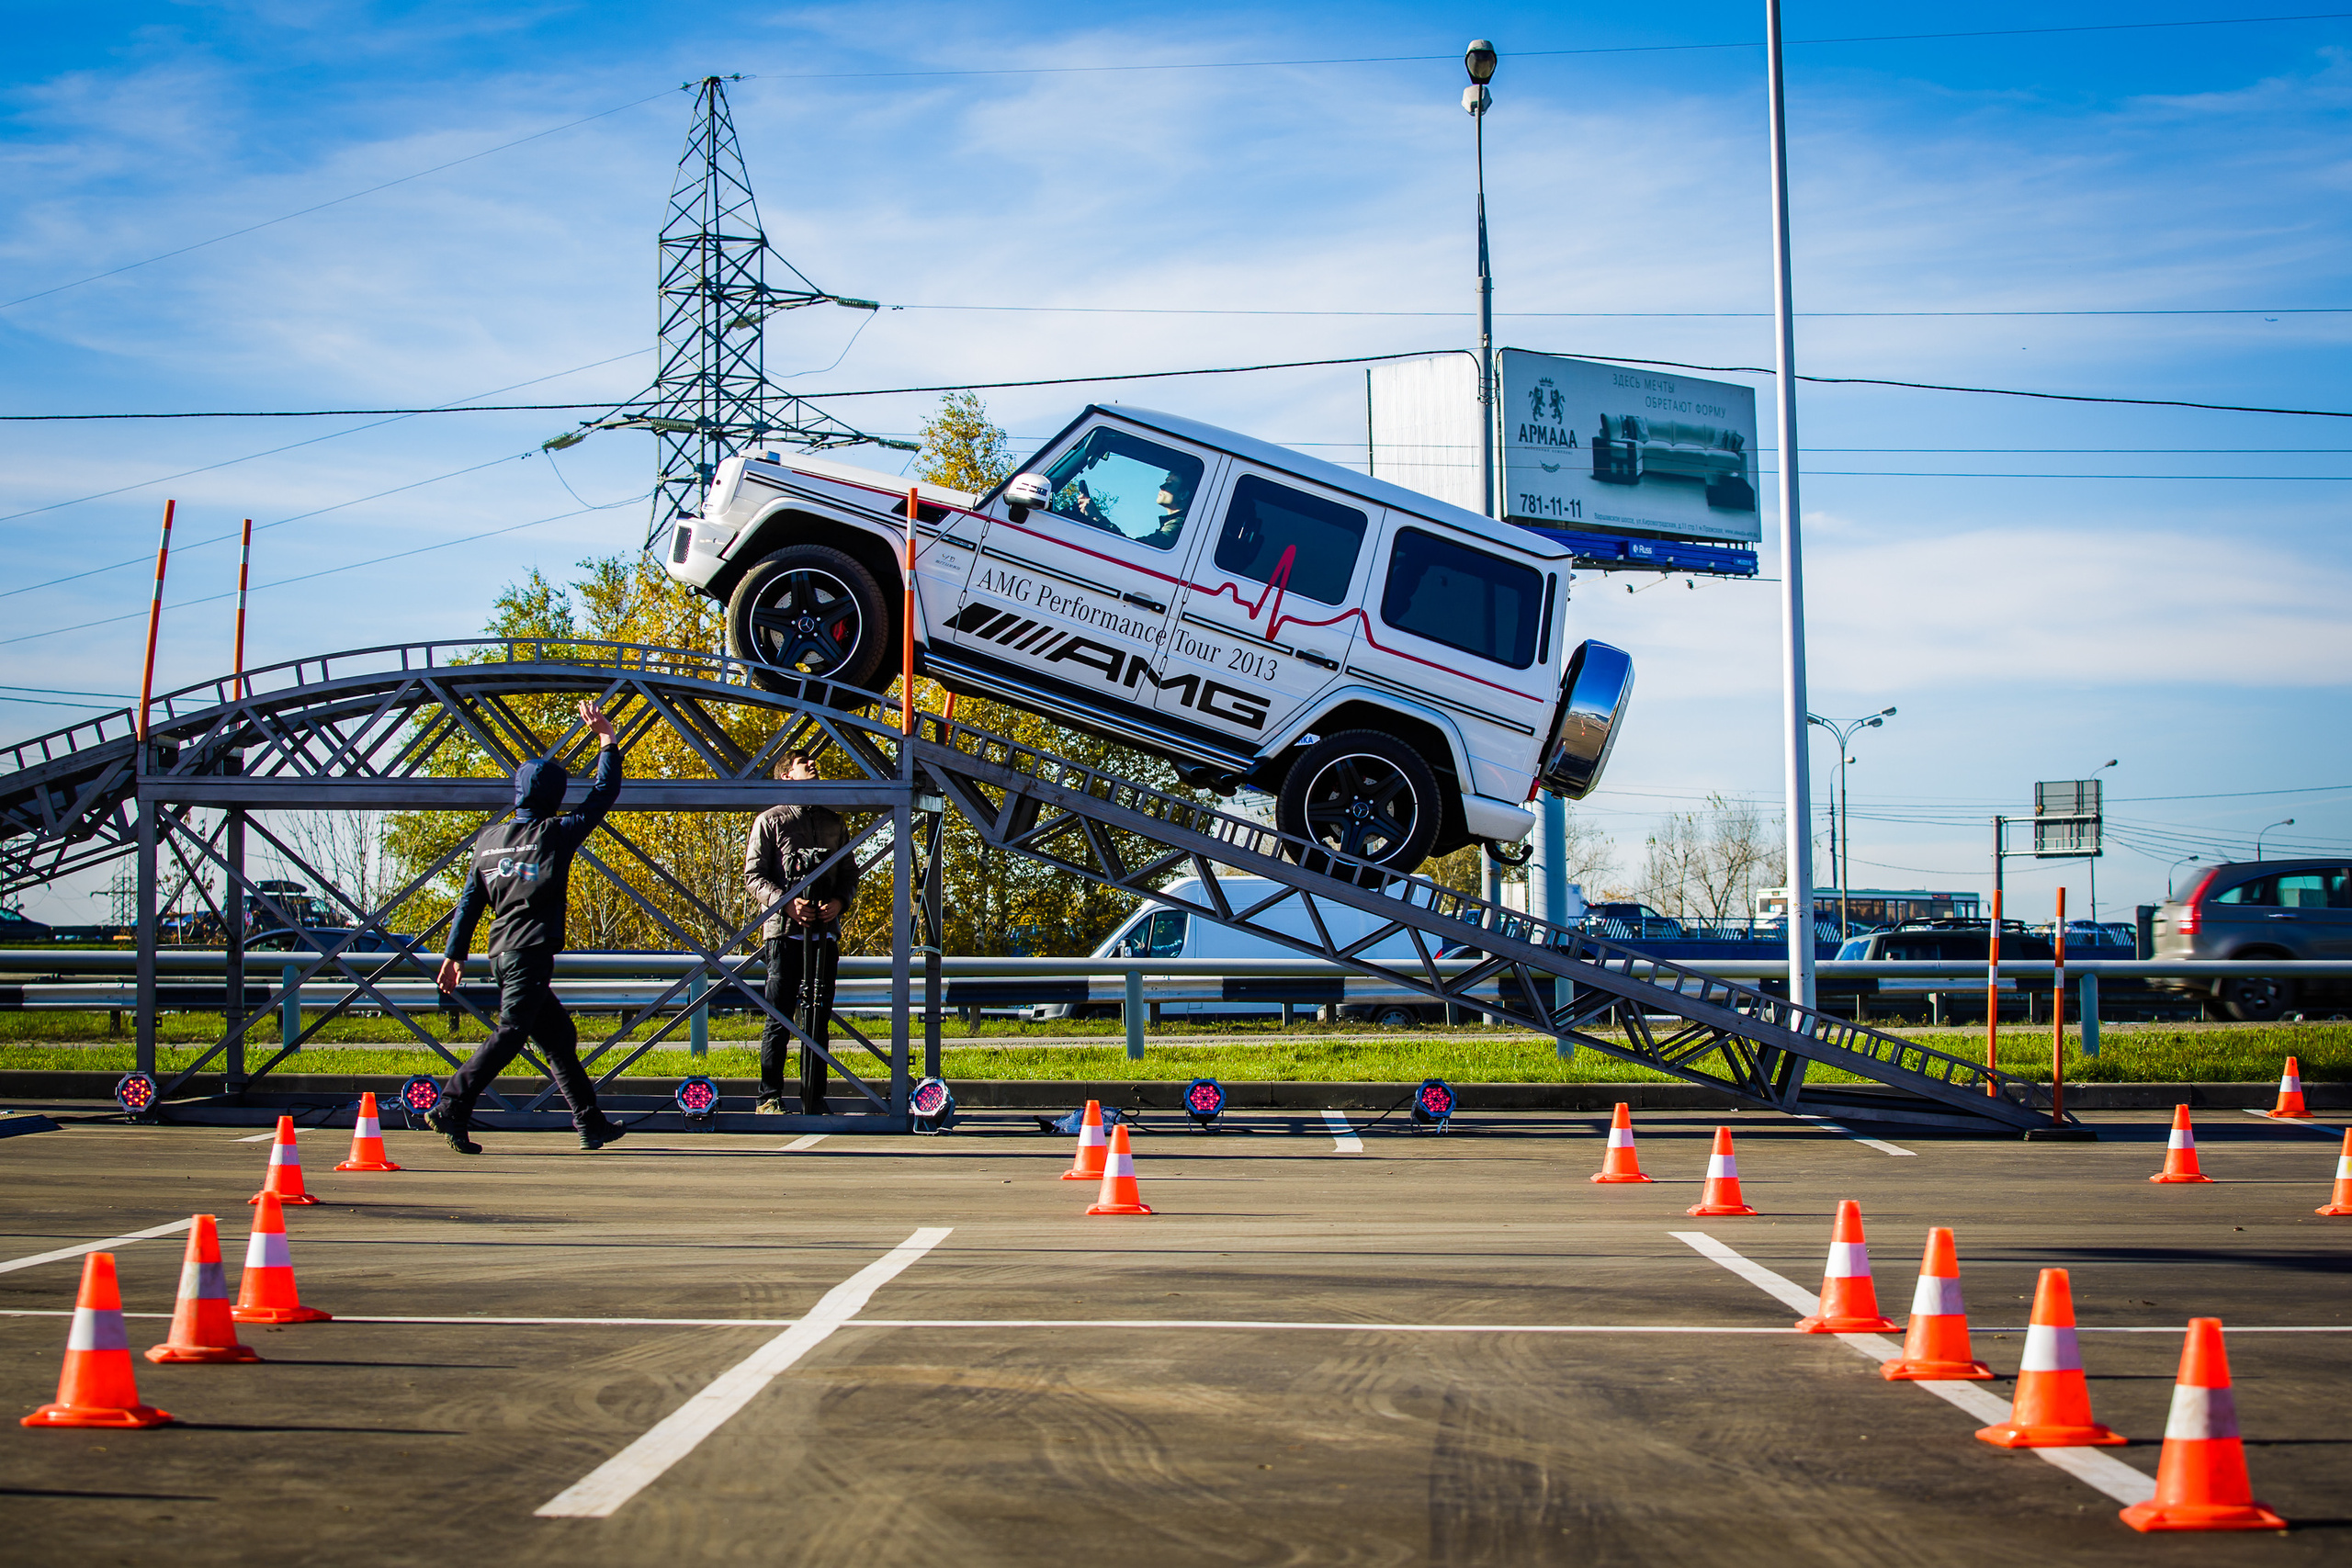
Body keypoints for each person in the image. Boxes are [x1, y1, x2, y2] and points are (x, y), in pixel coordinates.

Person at [428, 700, 628, 1154]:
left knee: (559, 1036)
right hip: (530, 951)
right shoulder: (554, 835)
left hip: (501, 953)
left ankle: (589, 1121)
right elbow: (603, 793)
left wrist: (454, 955)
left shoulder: (489, 841)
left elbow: (468, 903)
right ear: (554, 795)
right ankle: (452, 1104)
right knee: (512, 1032)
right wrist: (607, 740)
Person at [743, 750, 861, 1114]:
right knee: (779, 1017)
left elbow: (848, 874)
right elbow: (753, 876)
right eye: (802, 763)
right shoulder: (770, 821)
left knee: (818, 1019)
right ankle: (769, 1097)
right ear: (786, 776)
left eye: (813, 761)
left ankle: (814, 1097)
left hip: (824, 933)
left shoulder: (833, 822)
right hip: (783, 934)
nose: (812, 765)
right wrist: (787, 903)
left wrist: (839, 903)